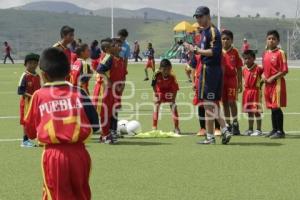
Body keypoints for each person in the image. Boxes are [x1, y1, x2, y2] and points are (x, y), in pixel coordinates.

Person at [24, 48, 100, 200]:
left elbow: (30, 131)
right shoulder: (80, 92)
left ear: (43, 74)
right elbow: (95, 125)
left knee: (56, 195)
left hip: (54, 155)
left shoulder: (39, 95)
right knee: (82, 194)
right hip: (80, 154)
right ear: (68, 73)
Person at [186, 6, 231, 145]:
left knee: (208, 104)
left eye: (200, 16)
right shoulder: (204, 32)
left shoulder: (212, 31)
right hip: (209, 70)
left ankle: (213, 135)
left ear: (207, 16)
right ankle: (223, 130)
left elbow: (214, 51)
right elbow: (202, 51)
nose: (198, 19)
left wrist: (197, 50)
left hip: (210, 71)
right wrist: (194, 51)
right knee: (210, 104)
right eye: (197, 17)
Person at [96, 38, 126, 144]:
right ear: (112, 47)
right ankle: (105, 135)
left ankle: (110, 133)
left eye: (120, 45)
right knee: (105, 112)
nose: (120, 47)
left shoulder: (121, 59)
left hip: (116, 90)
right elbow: (99, 69)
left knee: (113, 111)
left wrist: (123, 84)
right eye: (117, 45)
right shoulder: (109, 58)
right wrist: (109, 82)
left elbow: (123, 74)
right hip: (107, 90)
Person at [262, 30, 288, 139]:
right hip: (267, 84)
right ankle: (274, 129)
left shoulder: (280, 53)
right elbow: (264, 69)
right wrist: (263, 76)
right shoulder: (265, 53)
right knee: (272, 108)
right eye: (269, 39)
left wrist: (272, 77)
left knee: (276, 107)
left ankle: (280, 131)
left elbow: (284, 70)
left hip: (277, 83)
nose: (271, 41)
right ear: (266, 40)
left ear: (278, 41)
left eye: (273, 39)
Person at [221, 30, 243, 135]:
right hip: (221, 80)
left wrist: (240, 83)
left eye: (228, 39)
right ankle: (228, 125)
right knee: (224, 103)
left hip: (231, 80)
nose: (225, 41)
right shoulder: (218, 51)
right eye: (223, 39)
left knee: (231, 102)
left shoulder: (235, 52)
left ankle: (235, 123)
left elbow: (239, 68)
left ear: (232, 40)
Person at [152, 59, 180, 134]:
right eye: (164, 69)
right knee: (156, 105)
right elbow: (153, 85)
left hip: (169, 91)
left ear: (171, 68)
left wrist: (173, 100)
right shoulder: (156, 74)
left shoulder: (173, 76)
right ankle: (154, 128)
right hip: (160, 91)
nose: (166, 71)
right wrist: (156, 95)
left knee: (173, 106)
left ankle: (176, 128)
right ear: (160, 69)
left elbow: (175, 89)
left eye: (168, 69)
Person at [18, 53, 41, 147]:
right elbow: (20, 91)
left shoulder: (37, 75)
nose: (33, 65)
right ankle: (25, 140)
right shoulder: (25, 76)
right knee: (26, 121)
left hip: (36, 102)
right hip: (27, 102)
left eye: (35, 63)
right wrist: (32, 96)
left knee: (37, 119)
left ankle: (40, 138)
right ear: (25, 64)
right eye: (30, 63)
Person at [242, 50, 263, 136]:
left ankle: (258, 130)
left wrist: (261, 84)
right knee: (249, 111)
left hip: (255, 92)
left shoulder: (259, 68)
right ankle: (250, 129)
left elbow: (264, 76)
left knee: (256, 111)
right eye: (245, 58)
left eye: (249, 58)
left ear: (254, 59)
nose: (247, 60)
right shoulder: (244, 69)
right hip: (247, 92)